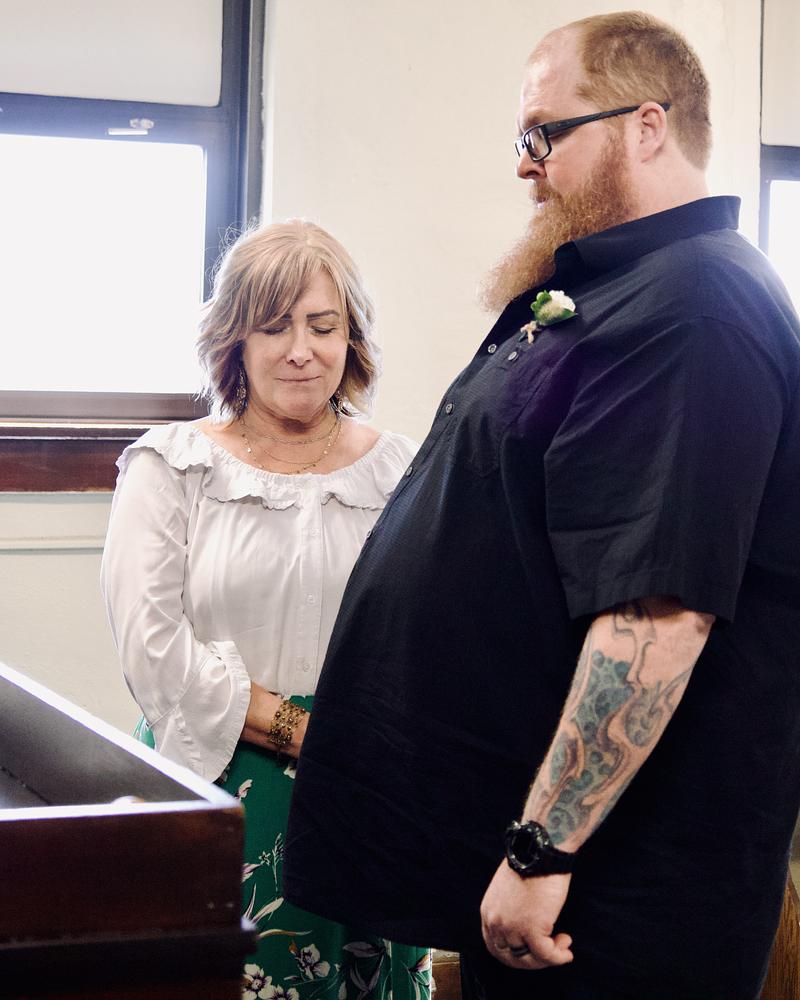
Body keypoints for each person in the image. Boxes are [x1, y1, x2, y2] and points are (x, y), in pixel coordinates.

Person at [283, 12, 800, 1000]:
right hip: (548, 862)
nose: (525, 163)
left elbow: (657, 613)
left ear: (644, 125)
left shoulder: (696, 308)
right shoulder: (625, 288)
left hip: (616, 897)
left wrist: (541, 847)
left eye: (543, 133)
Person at [101, 220, 431, 1000]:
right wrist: (307, 733)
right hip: (214, 781)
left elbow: (427, 636)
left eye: (323, 326)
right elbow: (152, 650)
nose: (300, 350)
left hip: (366, 788)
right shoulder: (171, 466)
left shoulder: (400, 469)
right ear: (235, 339)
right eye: (275, 326)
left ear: (351, 339)